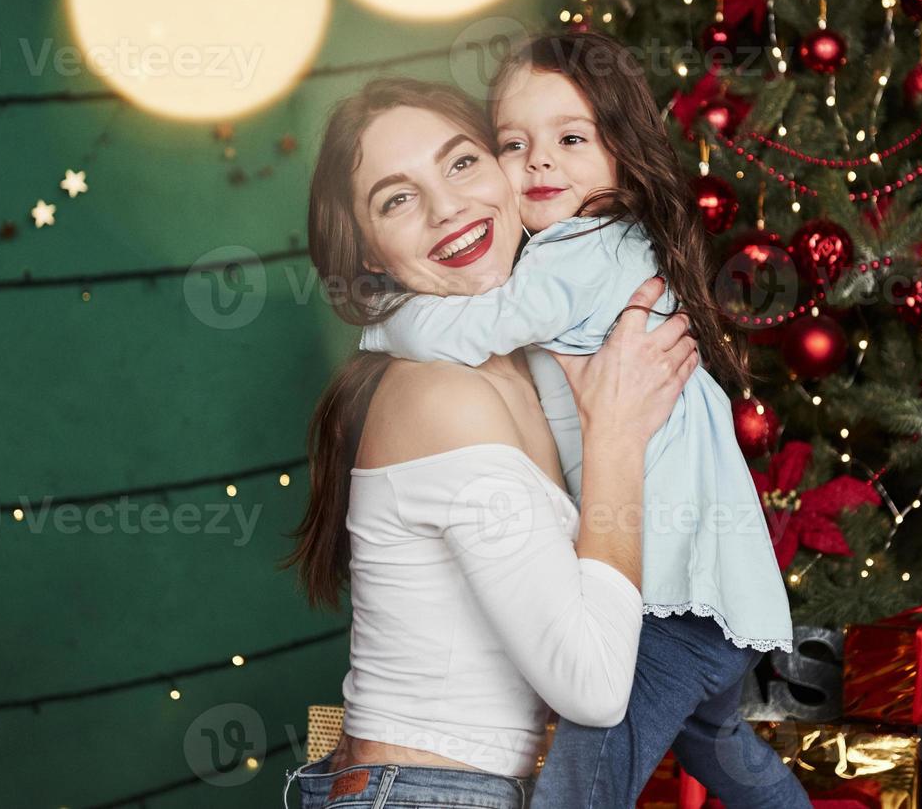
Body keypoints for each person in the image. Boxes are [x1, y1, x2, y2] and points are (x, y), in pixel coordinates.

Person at [358, 32, 810, 807]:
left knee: (577, 793)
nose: (537, 163)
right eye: (512, 144)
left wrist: (383, 326)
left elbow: (478, 326)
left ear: (621, 159)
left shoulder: (581, 251)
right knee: (727, 752)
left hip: (667, 601)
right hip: (712, 602)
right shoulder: (602, 248)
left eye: (570, 140)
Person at [280, 76, 699, 809]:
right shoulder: (441, 396)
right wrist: (616, 441)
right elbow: (593, 688)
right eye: (397, 198)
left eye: (462, 162)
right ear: (370, 253)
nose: (449, 207)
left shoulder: (521, 368)